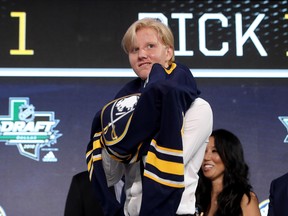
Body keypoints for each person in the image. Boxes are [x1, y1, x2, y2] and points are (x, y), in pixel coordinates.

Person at [86, 17, 213, 216]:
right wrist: (111, 136)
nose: (142, 55)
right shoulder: (120, 108)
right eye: (134, 50)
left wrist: (129, 134)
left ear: (168, 52)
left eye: (150, 46)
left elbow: (167, 160)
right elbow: (111, 175)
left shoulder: (198, 108)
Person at [195, 129, 261, 216]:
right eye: (204, 151)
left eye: (214, 151)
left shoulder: (244, 199)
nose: (206, 157)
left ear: (230, 156)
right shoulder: (198, 200)